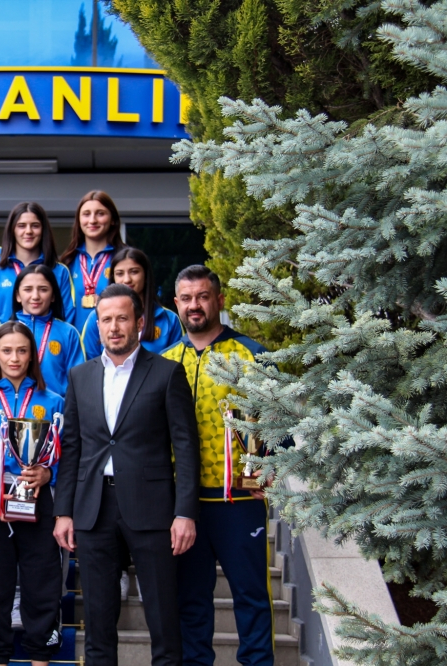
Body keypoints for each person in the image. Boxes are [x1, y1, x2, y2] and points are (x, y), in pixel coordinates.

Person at [53, 283, 201, 666]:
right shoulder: (80, 376)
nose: (114, 327)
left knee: (163, 618)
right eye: (106, 319)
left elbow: (186, 448)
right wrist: (64, 511)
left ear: (139, 322)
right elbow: (72, 449)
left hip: (153, 508)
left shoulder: (168, 373)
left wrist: (185, 512)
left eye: (122, 318)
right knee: (98, 622)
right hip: (93, 508)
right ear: (97, 325)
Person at [163, 265, 290, 666]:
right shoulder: (165, 361)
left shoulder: (253, 354)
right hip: (184, 508)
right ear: (176, 304)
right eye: (187, 298)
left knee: (252, 597)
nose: (195, 305)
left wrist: (271, 468)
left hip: (239, 501)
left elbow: (282, 424)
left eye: (203, 296)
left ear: (219, 300)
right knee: (190, 602)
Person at [0, 321, 65, 666]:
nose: (14, 358)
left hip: (39, 500)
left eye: (22, 351)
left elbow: (69, 455)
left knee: (42, 582)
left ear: (32, 356)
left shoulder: (54, 402)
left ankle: (40, 657)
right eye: (7, 350)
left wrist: (48, 473)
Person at [0, 265, 84, 397]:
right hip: (8, 407)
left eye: (43, 289)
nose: (35, 296)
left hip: (55, 408)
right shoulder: (0, 333)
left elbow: (78, 383)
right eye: (28, 289)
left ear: (53, 296)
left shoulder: (69, 333)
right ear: (18, 296)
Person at [0, 202, 74, 323]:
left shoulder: (60, 271)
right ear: (12, 230)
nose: (28, 231)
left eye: (35, 226)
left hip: (48, 335)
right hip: (3, 335)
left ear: (43, 230)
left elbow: (66, 316)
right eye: (21, 226)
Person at [82, 247, 182, 359]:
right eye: (120, 274)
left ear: (145, 275)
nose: (127, 279)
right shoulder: (96, 317)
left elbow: (177, 363)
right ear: (113, 278)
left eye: (134, 272)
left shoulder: (169, 319)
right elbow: (89, 364)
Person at [59, 191, 126, 332]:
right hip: (74, 341)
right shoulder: (66, 262)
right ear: (79, 220)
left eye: (100, 214)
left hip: (114, 337)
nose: (92, 220)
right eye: (86, 214)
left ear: (112, 219)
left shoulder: (125, 260)